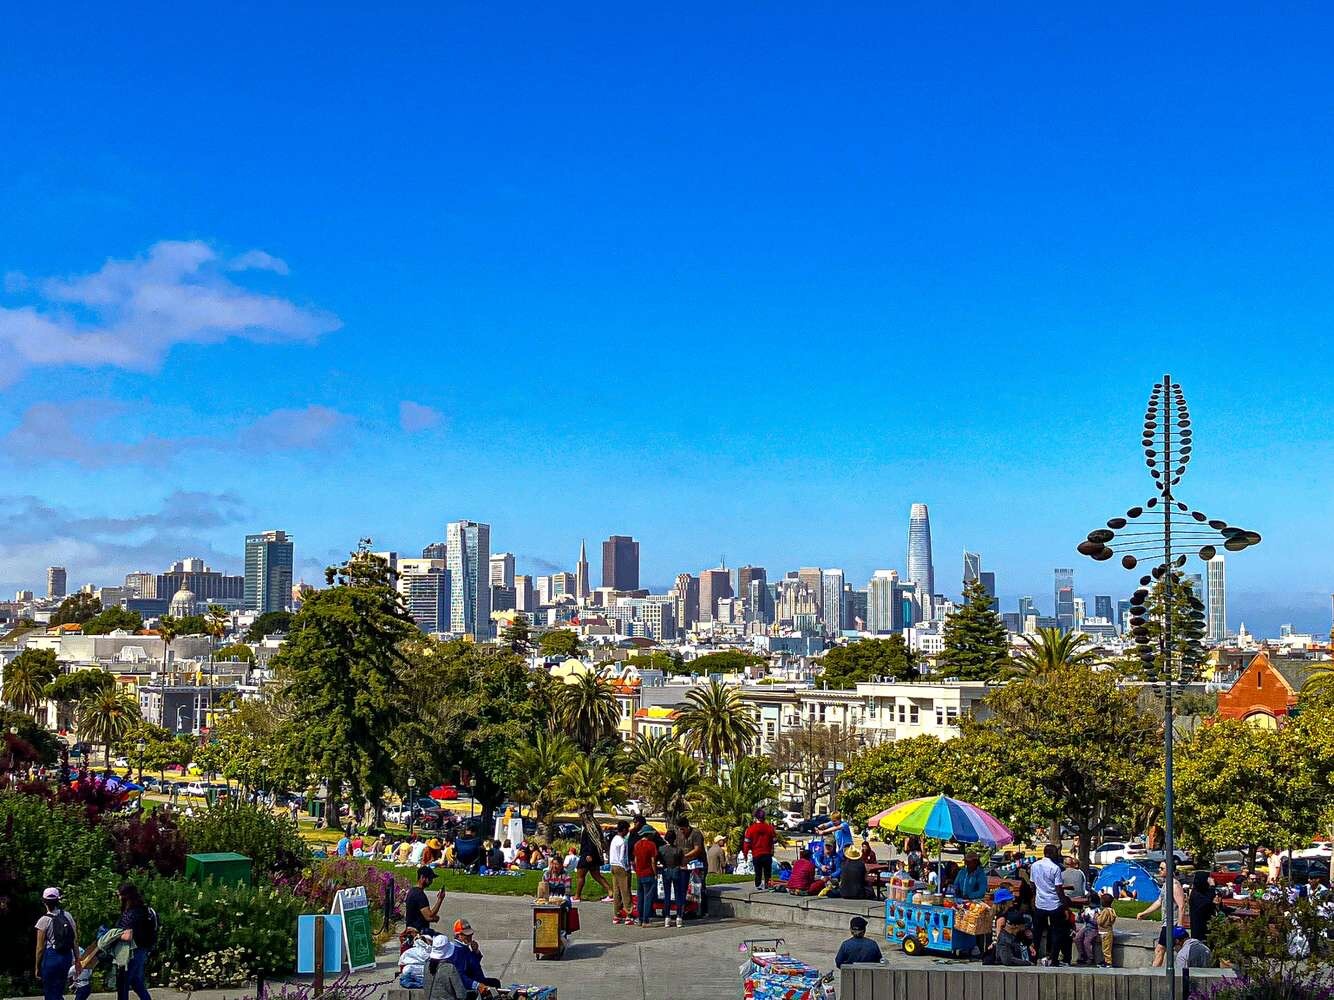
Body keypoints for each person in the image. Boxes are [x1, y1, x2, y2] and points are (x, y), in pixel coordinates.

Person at [1139, 862, 1186, 968]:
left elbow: (1182, 906)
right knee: (1177, 949)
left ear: (1169, 870)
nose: (1159, 870)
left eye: (1162, 868)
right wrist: (1144, 913)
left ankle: (1153, 974)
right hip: (1166, 923)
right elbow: (1159, 901)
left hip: (1172, 924)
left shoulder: (1174, 885)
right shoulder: (1166, 884)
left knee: (1160, 950)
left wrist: (1179, 925)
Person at [114, 882, 156, 1000]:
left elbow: (128, 935)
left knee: (123, 983)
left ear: (125, 896)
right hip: (142, 950)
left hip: (132, 951)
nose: (118, 898)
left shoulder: (133, 913)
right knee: (136, 981)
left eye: (119, 895)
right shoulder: (145, 910)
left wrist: (111, 935)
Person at [34, 886, 77, 1000]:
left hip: (51, 956)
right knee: (58, 989)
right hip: (66, 957)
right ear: (58, 900)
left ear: (44, 902)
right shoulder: (68, 916)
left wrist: (37, 967)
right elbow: (74, 940)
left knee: (50, 992)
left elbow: (40, 948)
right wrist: (77, 960)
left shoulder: (43, 921)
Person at [1031, 844, 1070, 967]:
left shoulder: (1034, 865)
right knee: (1056, 932)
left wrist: (1035, 896)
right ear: (1053, 854)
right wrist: (1065, 905)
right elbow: (1058, 889)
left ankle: (1033, 957)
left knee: (1037, 932)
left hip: (1040, 903)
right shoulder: (1055, 868)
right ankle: (1053, 958)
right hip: (1054, 904)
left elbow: (1032, 884)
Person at [447, 919, 501, 994]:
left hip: (478, 979)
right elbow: (459, 976)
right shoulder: (456, 952)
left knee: (495, 983)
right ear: (458, 935)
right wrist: (477, 985)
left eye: (471, 934)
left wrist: (475, 952)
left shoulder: (464, 947)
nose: (470, 937)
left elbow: (473, 964)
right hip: (469, 986)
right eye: (467, 935)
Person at [991, 888, 1035, 966]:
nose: (1012, 900)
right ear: (1004, 902)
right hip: (1003, 950)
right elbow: (1000, 937)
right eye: (1010, 899)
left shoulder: (1005, 914)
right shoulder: (1002, 918)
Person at [573, 823, 613, 902]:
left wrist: (589, 854)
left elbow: (592, 842)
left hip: (587, 854)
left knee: (580, 875)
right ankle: (610, 891)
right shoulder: (595, 828)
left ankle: (577, 896)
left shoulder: (589, 829)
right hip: (594, 855)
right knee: (596, 875)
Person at [678, 818, 707, 916]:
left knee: (699, 887)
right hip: (685, 865)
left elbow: (697, 849)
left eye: (683, 829)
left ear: (687, 827)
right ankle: (688, 909)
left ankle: (701, 910)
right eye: (680, 829)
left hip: (698, 864)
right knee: (686, 888)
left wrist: (685, 856)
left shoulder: (696, 833)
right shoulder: (679, 834)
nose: (682, 831)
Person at [742, 808, 777, 891]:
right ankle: (768, 885)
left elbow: (746, 843)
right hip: (767, 854)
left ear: (755, 817)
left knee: (758, 872)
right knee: (767, 873)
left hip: (756, 854)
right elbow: (775, 840)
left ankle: (758, 885)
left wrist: (745, 854)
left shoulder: (751, 829)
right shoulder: (769, 828)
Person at [658, 829, 687, 927]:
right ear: (674, 838)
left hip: (666, 870)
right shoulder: (679, 850)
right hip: (676, 871)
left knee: (667, 895)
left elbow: (660, 861)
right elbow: (682, 862)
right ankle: (679, 917)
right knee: (678, 894)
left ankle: (667, 917)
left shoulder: (661, 849)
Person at [405, 866, 445, 936]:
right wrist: (440, 899)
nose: (431, 881)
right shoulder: (420, 895)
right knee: (443, 940)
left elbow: (424, 915)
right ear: (422, 877)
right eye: (430, 878)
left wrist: (434, 918)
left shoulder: (412, 891)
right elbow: (429, 916)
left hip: (411, 930)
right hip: (419, 932)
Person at [632, 827, 659, 927]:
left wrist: (637, 870)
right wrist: (655, 873)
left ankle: (639, 919)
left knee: (640, 897)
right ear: (648, 834)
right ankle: (646, 920)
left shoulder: (636, 844)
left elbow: (635, 860)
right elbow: (653, 861)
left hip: (639, 873)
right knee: (648, 897)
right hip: (648, 873)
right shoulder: (651, 845)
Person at [608, 820, 633, 924]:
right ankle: (628, 914)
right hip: (621, 866)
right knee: (625, 890)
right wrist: (627, 868)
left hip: (613, 865)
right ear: (624, 830)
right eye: (627, 829)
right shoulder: (622, 841)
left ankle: (616, 914)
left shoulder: (614, 839)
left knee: (617, 890)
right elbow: (623, 857)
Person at [1188, 871, 1217, 941]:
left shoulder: (1202, 891)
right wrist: (1212, 886)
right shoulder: (1196, 894)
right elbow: (1207, 902)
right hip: (1199, 929)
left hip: (1207, 925)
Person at [1096, 892, 1117, 967]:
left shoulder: (1105, 911)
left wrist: (1097, 916)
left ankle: (1108, 962)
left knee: (1106, 949)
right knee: (1106, 948)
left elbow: (1100, 921)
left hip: (1104, 932)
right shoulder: (1111, 910)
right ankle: (1105, 960)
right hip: (1108, 931)